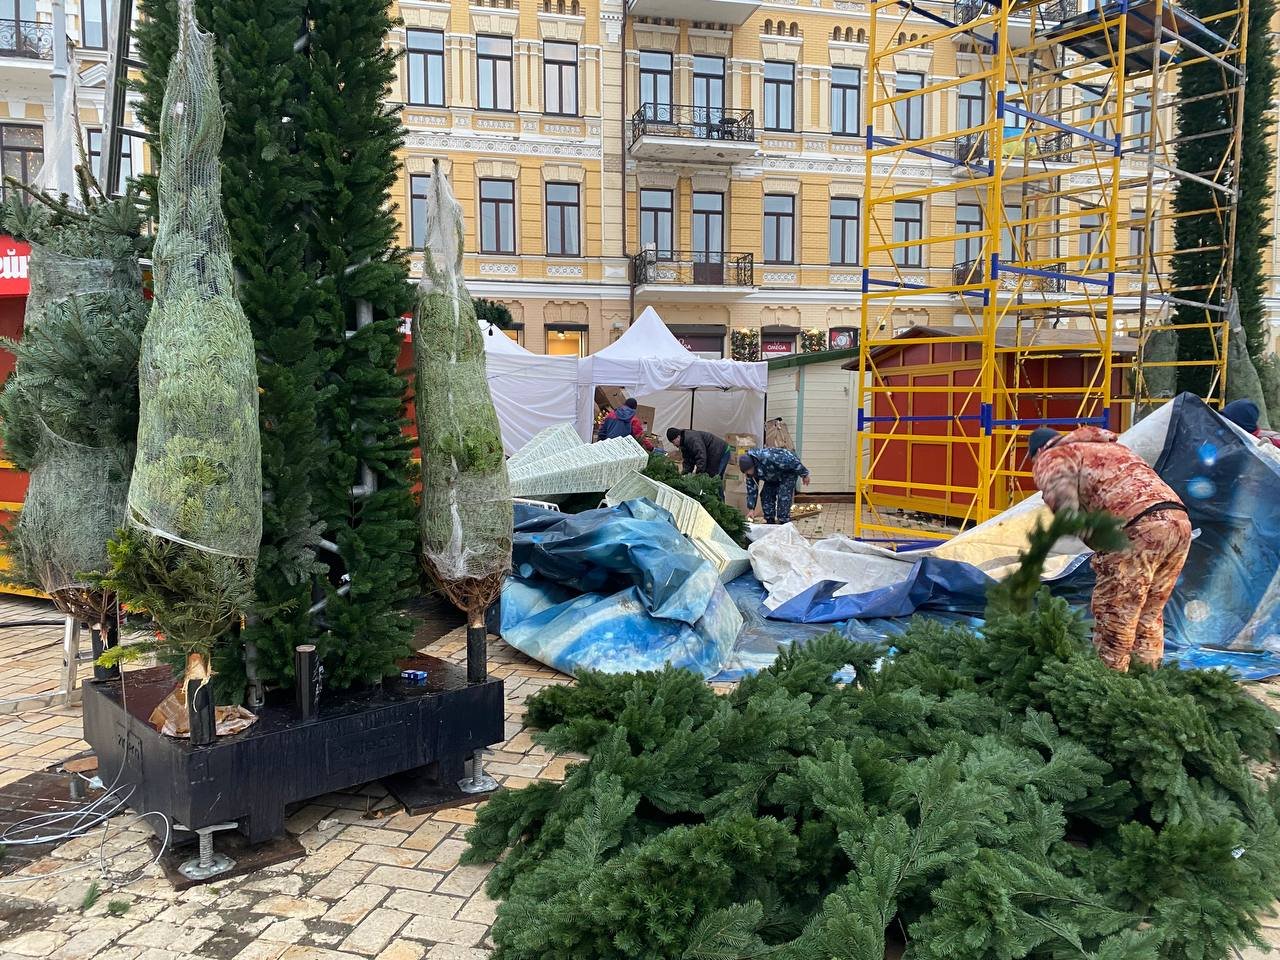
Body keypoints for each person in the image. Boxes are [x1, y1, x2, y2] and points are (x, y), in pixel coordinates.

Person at [1028, 425, 1191, 673]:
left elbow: (1065, 509)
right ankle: (1147, 679)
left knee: (1116, 610)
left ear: (1039, 450)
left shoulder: (1053, 456)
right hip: (1179, 523)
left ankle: (1109, 685)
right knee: (1149, 610)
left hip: (1137, 529)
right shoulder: (1113, 448)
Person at [739, 447, 810, 524]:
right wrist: (751, 509)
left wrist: (804, 474)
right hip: (771, 476)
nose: (747, 474)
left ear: (753, 465)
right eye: (745, 472)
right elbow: (751, 491)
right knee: (766, 495)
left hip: (788, 473)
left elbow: (792, 460)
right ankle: (769, 520)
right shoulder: (749, 474)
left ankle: (783, 521)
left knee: (783, 497)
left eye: (748, 471)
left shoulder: (768, 457)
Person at [666, 428, 732, 492]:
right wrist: (685, 475)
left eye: (673, 442)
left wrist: (699, 475)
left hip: (721, 451)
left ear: (678, 437)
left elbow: (701, 456)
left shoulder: (692, 439)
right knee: (709, 478)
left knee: (714, 480)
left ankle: (719, 501)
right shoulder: (683, 444)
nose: (674, 445)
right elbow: (688, 460)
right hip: (711, 454)